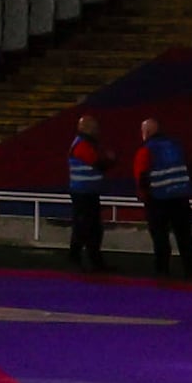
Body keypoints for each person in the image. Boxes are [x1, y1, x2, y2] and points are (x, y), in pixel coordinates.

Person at [132, 115, 192, 277]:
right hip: (181, 198)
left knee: (160, 238)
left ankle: (162, 271)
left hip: (158, 200)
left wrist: (144, 196)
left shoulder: (146, 150)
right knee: (185, 237)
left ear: (147, 132)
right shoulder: (177, 145)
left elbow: (141, 176)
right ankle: (191, 271)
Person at [62, 114, 113, 277]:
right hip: (83, 193)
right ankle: (76, 259)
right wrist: (111, 160)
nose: (97, 129)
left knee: (92, 228)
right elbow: (98, 164)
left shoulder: (86, 144)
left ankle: (93, 261)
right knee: (84, 228)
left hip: (87, 191)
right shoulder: (82, 145)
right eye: (94, 126)